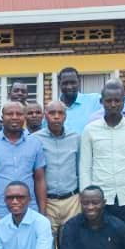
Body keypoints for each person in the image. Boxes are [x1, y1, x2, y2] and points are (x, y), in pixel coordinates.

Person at [80, 82, 125, 242]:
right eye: (109, 100)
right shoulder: (90, 130)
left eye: (117, 100)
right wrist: (86, 201)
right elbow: (85, 168)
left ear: (124, 102)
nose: (113, 104)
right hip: (100, 201)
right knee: (101, 245)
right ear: (101, 102)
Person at [0, 101, 47, 238]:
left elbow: (40, 180)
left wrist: (42, 213)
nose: (14, 117)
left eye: (19, 114)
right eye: (10, 114)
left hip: (30, 211)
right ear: (2, 117)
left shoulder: (35, 144)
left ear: (24, 117)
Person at [32, 100, 80, 241]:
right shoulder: (35, 140)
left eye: (60, 113)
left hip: (72, 201)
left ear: (65, 116)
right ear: (45, 115)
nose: (56, 116)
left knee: (70, 243)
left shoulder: (76, 138)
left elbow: (80, 168)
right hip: (47, 201)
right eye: (52, 113)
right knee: (47, 245)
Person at [57, 66, 102, 136]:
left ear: (79, 82)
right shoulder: (53, 109)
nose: (69, 87)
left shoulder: (95, 100)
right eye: (65, 83)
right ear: (59, 83)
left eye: (73, 83)